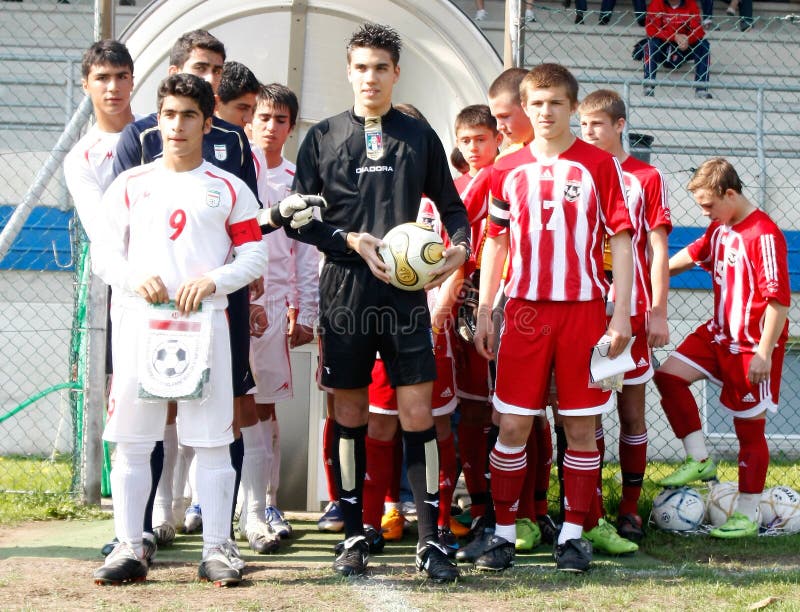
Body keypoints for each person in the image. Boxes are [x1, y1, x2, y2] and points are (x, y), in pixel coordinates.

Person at [288, 23, 470, 581]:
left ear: (396, 73)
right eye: (361, 67)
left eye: (381, 68)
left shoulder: (418, 136)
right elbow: (298, 220)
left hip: (404, 292)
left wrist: (459, 250)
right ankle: (353, 533)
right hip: (345, 289)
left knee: (418, 414)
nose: (370, 77)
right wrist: (349, 241)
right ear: (349, 71)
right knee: (350, 415)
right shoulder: (322, 137)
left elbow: (453, 208)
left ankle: (431, 539)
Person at [90, 73, 267, 586]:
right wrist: (131, 277)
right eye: (169, 114)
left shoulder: (229, 188)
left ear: (207, 124)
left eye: (189, 115)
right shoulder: (130, 185)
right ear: (159, 119)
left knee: (211, 441)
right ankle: (129, 546)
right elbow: (104, 254)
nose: (177, 125)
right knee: (132, 440)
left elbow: (254, 255)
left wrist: (214, 280)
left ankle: (217, 549)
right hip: (139, 327)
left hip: (205, 328)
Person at [473, 63, 633, 573]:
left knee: (580, 427)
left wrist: (621, 313)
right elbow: (495, 242)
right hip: (523, 311)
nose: (545, 112)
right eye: (537, 103)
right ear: (525, 107)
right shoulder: (506, 168)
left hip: (584, 313)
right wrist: (485, 310)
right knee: (514, 424)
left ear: (572, 106)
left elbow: (621, 240)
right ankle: (503, 532)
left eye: (556, 103)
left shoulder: (599, 165)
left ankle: (572, 535)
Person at [653, 158, 789, 539]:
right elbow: (691, 255)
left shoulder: (763, 234)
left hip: (750, 348)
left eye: (709, 205)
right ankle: (700, 459)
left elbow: (778, 302)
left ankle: (746, 514)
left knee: (749, 433)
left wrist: (763, 353)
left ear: (730, 194)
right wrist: (651, 273)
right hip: (717, 336)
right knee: (668, 377)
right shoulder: (720, 227)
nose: (705, 212)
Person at [578, 89, 672, 547]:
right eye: (583, 125)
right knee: (587, 413)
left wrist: (659, 311)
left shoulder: (645, 177)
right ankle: (589, 510)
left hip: (629, 312)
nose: (588, 132)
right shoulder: (576, 173)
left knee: (631, 411)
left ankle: (631, 508)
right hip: (583, 309)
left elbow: (657, 249)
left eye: (597, 124)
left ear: (619, 125)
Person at [241, 82, 320, 546]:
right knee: (217, 401)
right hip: (231, 298)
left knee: (263, 403)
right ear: (249, 121)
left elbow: (304, 254)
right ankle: (200, 500)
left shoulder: (296, 181)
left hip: (272, 306)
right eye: (263, 118)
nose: (271, 127)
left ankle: (267, 501)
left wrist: (303, 309)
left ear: (292, 127)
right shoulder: (233, 172)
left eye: (281, 120)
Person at [643, 0, 712, 99]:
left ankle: (701, 89)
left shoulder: (690, 3)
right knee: (650, 44)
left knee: (704, 45)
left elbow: (698, 30)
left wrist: (688, 39)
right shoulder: (657, 3)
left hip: (684, 45)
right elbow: (651, 29)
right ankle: (649, 85)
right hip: (664, 45)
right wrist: (674, 36)